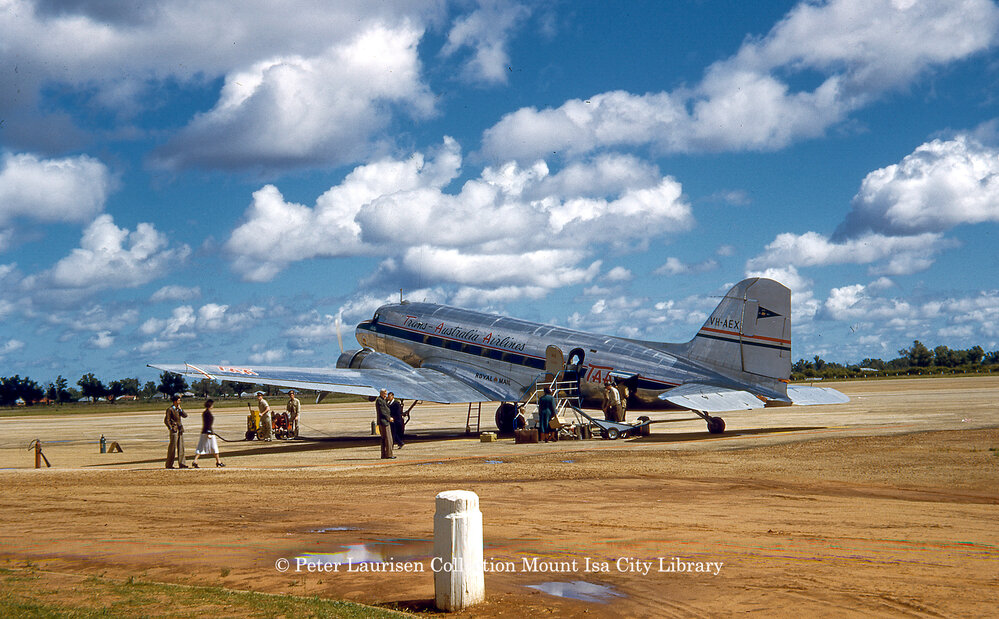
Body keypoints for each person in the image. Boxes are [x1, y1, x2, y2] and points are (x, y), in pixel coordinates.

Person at [192, 399, 224, 468]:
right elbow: (208, 423)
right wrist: (209, 432)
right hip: (208, 432)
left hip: (206, 432)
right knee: (213, 447)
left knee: (202, 447)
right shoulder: (207, 413)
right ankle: (218, 462)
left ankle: (218, 461)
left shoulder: (205, 412)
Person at [164, 394, 188, 469]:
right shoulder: (170, 409)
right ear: (175, 401)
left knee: (181, 447)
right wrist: (171, 428)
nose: (180, 401)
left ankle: (182, 463)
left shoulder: (178, 409)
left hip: (180, 429)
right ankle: (169, 464)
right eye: (178, 400)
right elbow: (166, 420)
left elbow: (185, 415)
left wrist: (181, 409)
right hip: (174, 430)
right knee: (172, 447)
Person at [375, 389, 395, 459]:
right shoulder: (380, 400)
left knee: (384, 439)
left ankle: (384, 455)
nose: (386, 395)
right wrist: (389, 418)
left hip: (384, 421)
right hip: (384, 422)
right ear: (381, 393)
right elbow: (382, 411)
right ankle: (389, 455)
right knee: (388, 439)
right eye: (385, 394)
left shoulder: (383, 400)